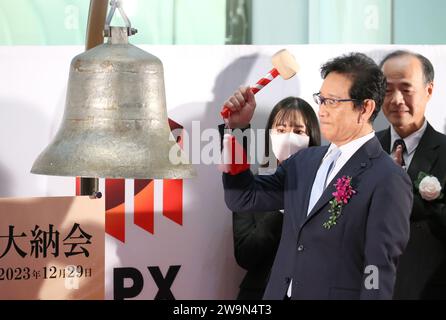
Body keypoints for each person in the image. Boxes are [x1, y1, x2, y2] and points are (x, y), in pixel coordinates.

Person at [221, 52, 413, 300]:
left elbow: (377, 268)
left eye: (332, 101)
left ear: (365, 108)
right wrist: (237, 131)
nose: (321, 111)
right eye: (321, 100)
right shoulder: (303, 162)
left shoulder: (387, 178)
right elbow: (243, 198)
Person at [231, 97, 321, 300]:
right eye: (281, 130)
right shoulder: (252, 188)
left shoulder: (326, 186)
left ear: (311, 138)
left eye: (298, 131)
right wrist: (282, 207)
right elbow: (245, 255)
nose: (289, 138)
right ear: (270, 135)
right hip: (261, 293)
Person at [377, 50, 446, 300]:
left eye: (406, 89)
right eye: (387, 89)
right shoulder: (363, 152)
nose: (396, 99)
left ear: (429, 90)